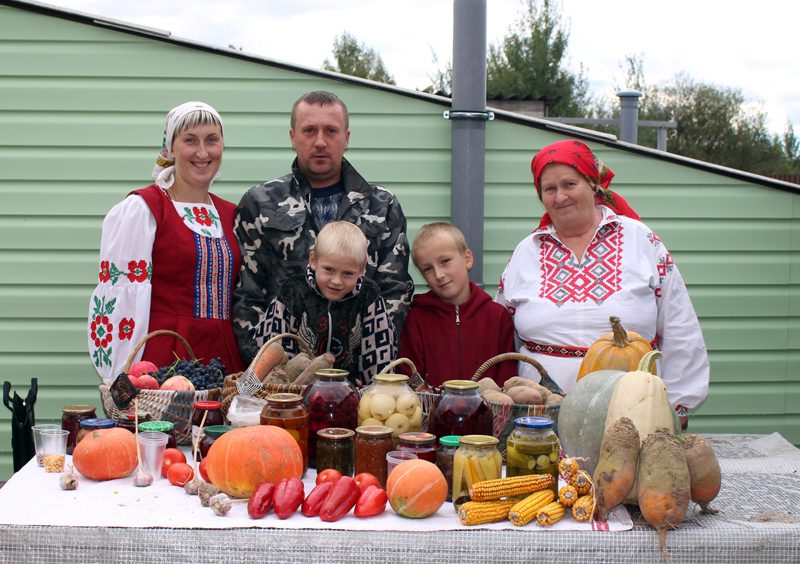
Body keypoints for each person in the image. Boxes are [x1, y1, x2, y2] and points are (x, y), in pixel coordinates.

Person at [495, 139, 709, 423]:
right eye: (550, 189)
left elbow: (680, 325)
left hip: (633, 413)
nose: (560, 197)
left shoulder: (640, 240)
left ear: (592, 184)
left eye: (570, 184)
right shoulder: (526, 252)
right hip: (540, 417)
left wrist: (677, 405)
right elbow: (500, 330)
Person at [233, 90, 414, 365]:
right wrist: (267, 368)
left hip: (360, 376)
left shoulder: (382, 205)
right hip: (280, 375)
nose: (320, 142)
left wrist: (372, 364)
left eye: (331, 131)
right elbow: (247, 295)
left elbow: (395, 292)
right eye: (309, 131)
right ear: (293, 137)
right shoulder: (259, 203)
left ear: (346, 138)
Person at [88, 101, 245, 383]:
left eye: (211, 140)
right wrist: (122, 377)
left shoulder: (231, 215)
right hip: (165, 361)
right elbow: (120, 299)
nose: (202, 152)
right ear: (170, 148)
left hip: (224, 363)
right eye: (190, 140)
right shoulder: (144, 209)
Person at [259, 221, 396, 385]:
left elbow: (379, 355)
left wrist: (375, 390)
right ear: (313, 260)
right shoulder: (292, 292)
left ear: (361, 269)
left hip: (351, 392)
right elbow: (274, 348)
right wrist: (283, 389)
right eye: (329, 269)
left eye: (348, 273)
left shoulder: (369, 296)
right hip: (295, 392)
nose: (337, 281)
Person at [398, 223, 516, 387]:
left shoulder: (497, 317)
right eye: (427, 269)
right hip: (433, 404)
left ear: (467, 259)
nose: (439, 275)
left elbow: (507, 378)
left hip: (488, 403)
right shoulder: (416, 318)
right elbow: (409, 380)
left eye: (445, 261)